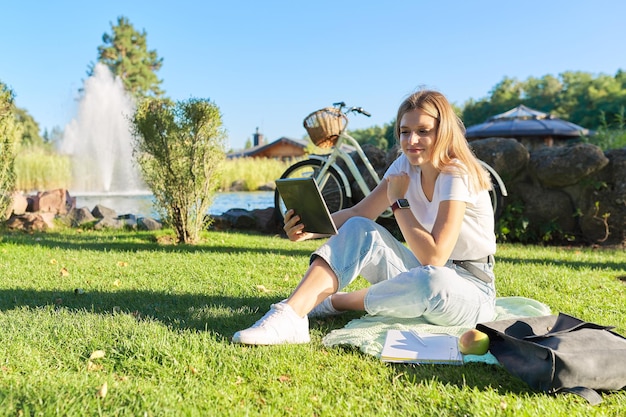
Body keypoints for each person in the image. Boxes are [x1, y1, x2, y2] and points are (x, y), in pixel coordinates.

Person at [232, 89, 497, 345]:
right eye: (405, 132)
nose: (411, 141)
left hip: (470, 289)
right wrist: (312, 228)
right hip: (420, 273)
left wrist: (399, 201)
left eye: (423, 132)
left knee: (431, 281)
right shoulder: (404, 166)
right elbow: (360, 212)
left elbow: (435, 257)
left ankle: (334, 302)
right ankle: (290, 316)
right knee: (360, 227)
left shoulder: (456, 173)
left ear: (443, 132)